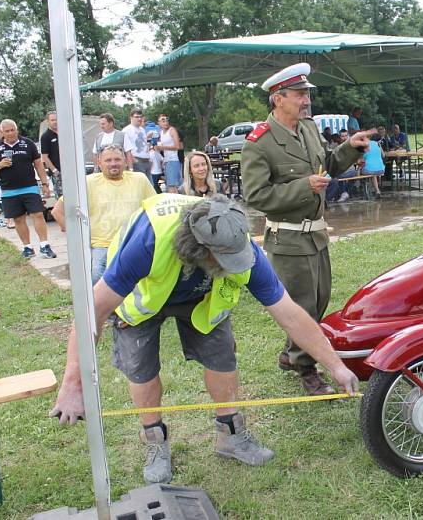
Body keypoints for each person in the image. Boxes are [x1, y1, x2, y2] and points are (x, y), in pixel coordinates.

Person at [49, 194, 360, 484]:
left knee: (222, 359)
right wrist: (72, 384)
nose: (233, 265)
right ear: (198, 250)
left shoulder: (239, 243)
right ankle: (154, 440)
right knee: (141, 368)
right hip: (143, 295)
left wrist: (335, 366)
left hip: (201, 298)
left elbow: (289, 313)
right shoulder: (147, 242)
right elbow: (91, 313)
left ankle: (231, 435)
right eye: (225, 260)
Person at [241, 62, 374, 395]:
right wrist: (303, 187)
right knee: (303, 306)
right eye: (299, 95)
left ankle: (291, 353)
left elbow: (325, 165)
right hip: (287, 237)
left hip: (315, 233)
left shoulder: (309, 129)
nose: (306, 101)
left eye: (306, 94)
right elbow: (256, 196)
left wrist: (349, 148)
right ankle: (306, 370)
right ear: (278, 99)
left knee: (319, 298)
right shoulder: (260, 142)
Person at [51, 144, 155, 284]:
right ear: (99, 162)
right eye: (108, 160)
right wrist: (77, 238)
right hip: (101, 245)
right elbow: (58, 211)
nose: (113, 164)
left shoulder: (140, 179)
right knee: (95, 280)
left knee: (142, 283)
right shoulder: (87, 182)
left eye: (117, 159)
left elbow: (154, 208)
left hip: (133, 243)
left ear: (125, 160)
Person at [0, 119, 57, 260]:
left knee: (37, 214)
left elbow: (38, 164)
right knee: (18, 219)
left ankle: (45, 245)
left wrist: (44, 184)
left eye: (13, 130)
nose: (11, 133)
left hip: (30, 186)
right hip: (9, 190)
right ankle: (27, 247)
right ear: (2, 133)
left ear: (17, 130)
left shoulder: (27, 143)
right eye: (7, 131)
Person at [123, 108, 154, 184]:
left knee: (149, 186)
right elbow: (124, 148)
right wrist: (133, 160)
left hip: (146, 161)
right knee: (140, 186)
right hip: (137, 161)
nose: (139, 119)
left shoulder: (142, 130)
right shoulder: (126, 130)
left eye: (140, 117)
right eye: (136, 117)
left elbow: (144, 144)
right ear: (131, 117)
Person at [155, 114, 182, 193]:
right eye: (163, 120)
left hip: (173, 160)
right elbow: (161, 145)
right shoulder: (161, 133)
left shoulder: (172, 130)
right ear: (159, 123)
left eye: (167, 120)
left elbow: (177, 146)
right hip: (166, 161)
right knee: (169, 184)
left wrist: (162, 148)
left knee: (173, 185)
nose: (165, 122)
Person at [40, 111, 63, 198]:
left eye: (56, 119)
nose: (55, 122)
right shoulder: (46, 136)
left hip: (69, 171)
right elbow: (45, 157)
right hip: (57, 172)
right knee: (61, 198)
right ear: (48, 121)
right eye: (52, 120)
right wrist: (54, 171)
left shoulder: (65, 133)